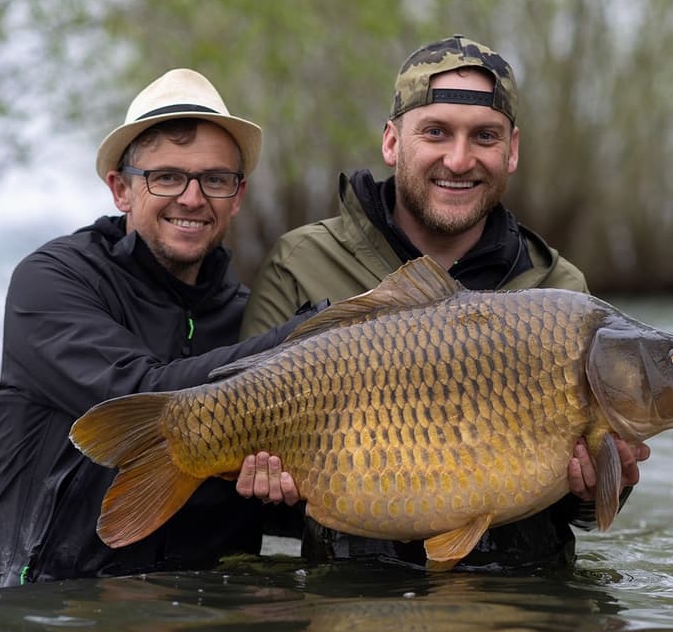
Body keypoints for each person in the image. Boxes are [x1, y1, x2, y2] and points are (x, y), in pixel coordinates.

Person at [240, 35, 650, 571]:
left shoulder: (558, 289)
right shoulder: (301, 260)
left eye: (484, 136)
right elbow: (253, 502)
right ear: (391, 142)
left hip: (517, 603)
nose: (459, 160)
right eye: (436, 132)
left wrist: (597, 485)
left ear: (513, 151)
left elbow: (583, 509)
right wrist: (265, 491)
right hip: (350, 592)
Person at [0, 69, 304, 589]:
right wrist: (305, 339)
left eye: (215, 179)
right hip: (55, 614)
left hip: (205, 616)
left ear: (237, 196)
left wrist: (285, 503)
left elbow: (285, 534)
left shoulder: (252, 316)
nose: (193, 198)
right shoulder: (49, 282)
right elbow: (144, 398)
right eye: (167, 177)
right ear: (121, 189)